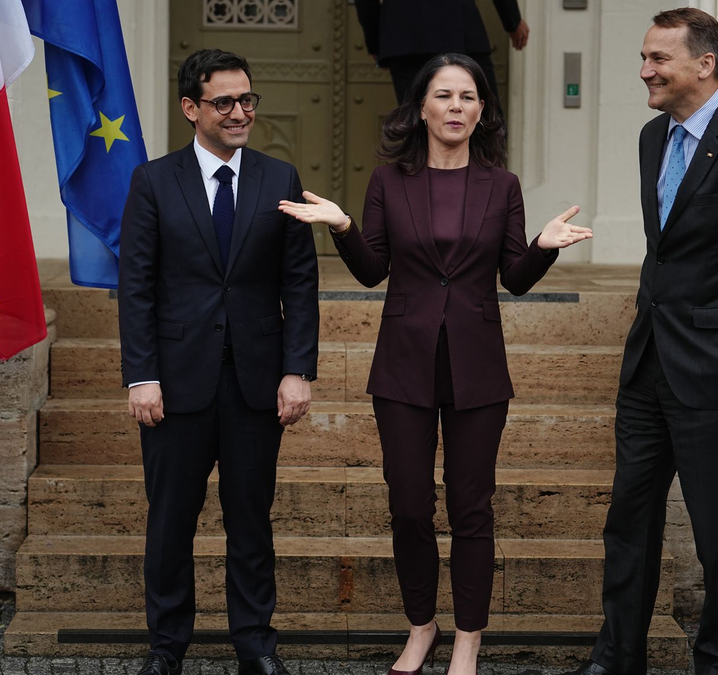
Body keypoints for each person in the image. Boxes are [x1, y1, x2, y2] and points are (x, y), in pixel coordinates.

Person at [278, 52, 591, 675]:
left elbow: (516, 279)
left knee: (471, 506)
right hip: (403, 365)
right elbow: (372, 272)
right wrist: (341, 227)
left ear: (481, 112)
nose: (456, 107)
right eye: (444, 96)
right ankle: (422, 628)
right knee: (409, 505)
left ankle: (469, 638)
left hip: (477, 366)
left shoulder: (501, 186)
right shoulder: (389, 181)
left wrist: (542, 249)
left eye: (468, 97)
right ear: (420, 107)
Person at [562, 9, 718, 675]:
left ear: (704, 64)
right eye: (644, 57)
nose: (644, 70)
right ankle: (616, 658)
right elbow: (667, 249)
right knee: (629, 522)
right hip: (650, 361)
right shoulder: (653, 138)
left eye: (657, 59)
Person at [118, 49, 319, 675]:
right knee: (171, 521)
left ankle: (255, 645)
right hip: (175, 385)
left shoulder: (278, 178)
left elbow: (300, 282)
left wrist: (297, 369)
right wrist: (142, 375)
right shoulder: (153, 181)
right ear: (191, 108)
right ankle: (166, 647)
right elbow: (137, 287)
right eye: (224, 102)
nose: (240, 112)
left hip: (256, 383)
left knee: (251, 522)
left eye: (248, 100)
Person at [354, 0, 529, 105]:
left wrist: (376, 42)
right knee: (485, 131)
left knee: (418, 136)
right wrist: (512, 21)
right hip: (460, 32)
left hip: (404, 38)